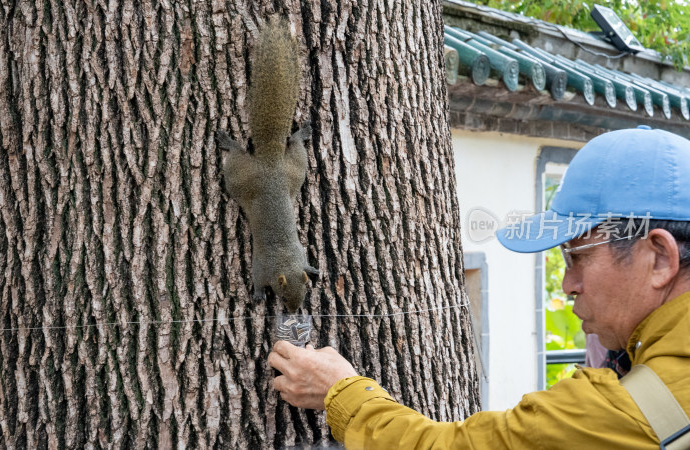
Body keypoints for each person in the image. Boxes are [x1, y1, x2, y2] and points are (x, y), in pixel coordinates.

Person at [268, 126, 690, 448]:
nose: (568, 284)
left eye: (577, 257)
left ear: (660, 259)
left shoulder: (624, 411)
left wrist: (342, 393)